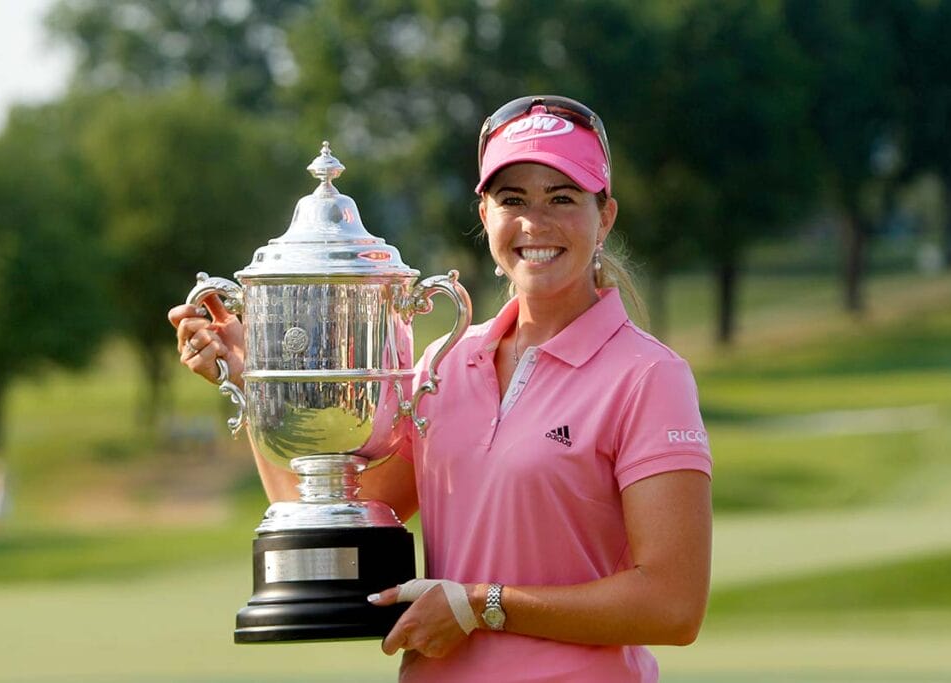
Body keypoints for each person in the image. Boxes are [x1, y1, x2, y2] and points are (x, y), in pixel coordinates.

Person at [169, 95, 712, 683]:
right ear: (485, 215)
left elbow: (672, 606)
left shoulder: (648, 376)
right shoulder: (445, 364)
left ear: (604, 217)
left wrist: (482, 606)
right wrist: (258, 381)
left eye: (562, 198)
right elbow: (327, 516)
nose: (535, 222)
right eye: (512, 200)